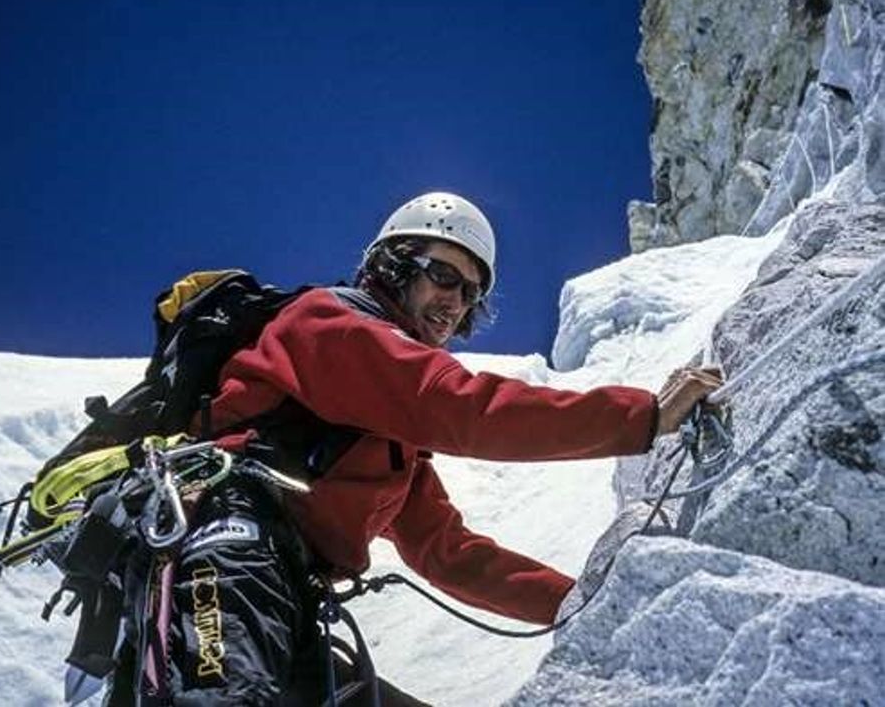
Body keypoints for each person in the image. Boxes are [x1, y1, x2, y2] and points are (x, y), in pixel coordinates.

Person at [106, 191, 721, 706]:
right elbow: (459, 407)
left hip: (284, 595)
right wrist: (642, 417)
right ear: (395, 265)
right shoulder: (329, 326)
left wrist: (583, 601)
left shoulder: (386, 440)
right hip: (227, 549)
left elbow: (446, 552)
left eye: (471, 292)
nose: (456, 302)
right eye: (444, 275)